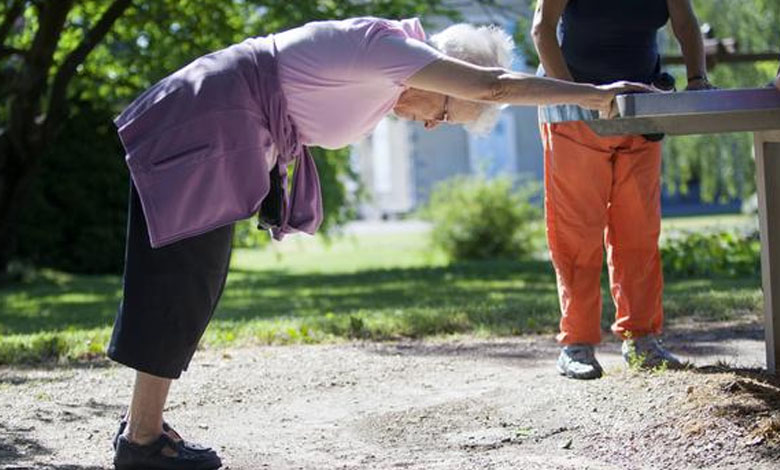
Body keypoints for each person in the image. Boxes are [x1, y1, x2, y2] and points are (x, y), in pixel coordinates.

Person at [108, 16, 648, 469]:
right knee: (184, 279)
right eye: (444, 112)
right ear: (445, 77)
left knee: (191, 280)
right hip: (211, 115)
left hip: (221, 122)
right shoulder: (389, 49)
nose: (433, 125)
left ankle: (143, 431)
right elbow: (495, 85)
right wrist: (594, 96)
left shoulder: (385, 81)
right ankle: (142, 443)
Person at [531, 0, 713, 380]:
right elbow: (542, 29)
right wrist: (574, 94)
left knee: (639, 228)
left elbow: (685, 23)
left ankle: (642, 339)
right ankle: (576, 343)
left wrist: (697, 79)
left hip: (640, 106)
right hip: (573, 110)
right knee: (577, 232)